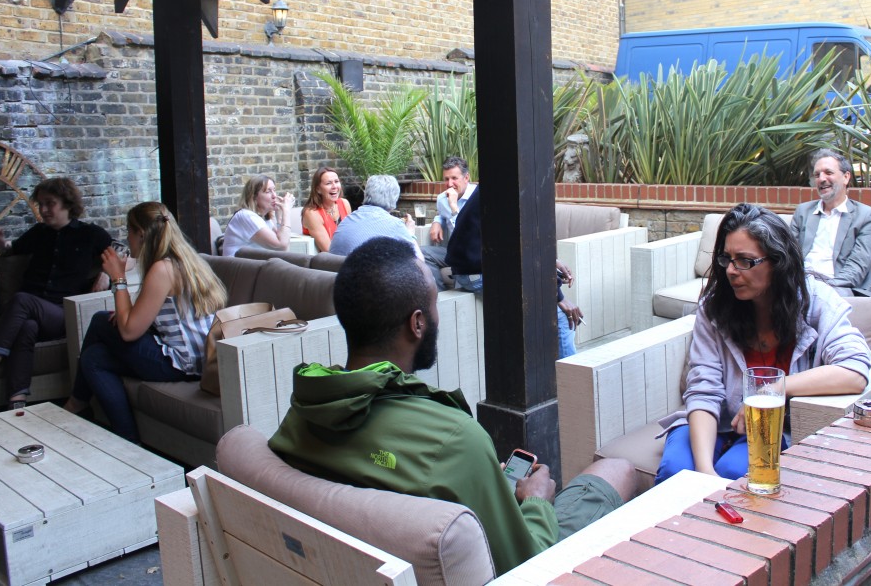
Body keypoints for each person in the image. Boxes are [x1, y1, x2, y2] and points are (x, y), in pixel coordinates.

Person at [268, 238, 636, 574]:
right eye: (434, 305)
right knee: (619, 470)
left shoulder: (303, 411)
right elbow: (526, 564)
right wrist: (537, 501)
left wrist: (482, 477)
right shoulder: (454, 441)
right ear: (417, 324)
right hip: (523, 565)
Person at [654, 203, 870, 485]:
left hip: (771, 426)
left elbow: (854, 370)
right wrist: (704, 472)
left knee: (736, 472)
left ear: (778, 262)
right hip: (714, 420)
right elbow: (703, 389)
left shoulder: (816, 302)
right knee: (676, 473)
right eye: (727, 259)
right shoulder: (715, 308)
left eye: (745, 260)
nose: (731, 271)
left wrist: (771, 390)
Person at [64, 202, 227, 442]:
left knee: (100, 321)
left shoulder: (162, 269)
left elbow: (129, 332)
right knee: (93, 358)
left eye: (128, 232)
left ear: (141, 234)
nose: (127, 239)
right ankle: (127, 440)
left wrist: (118, 277)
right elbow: (167, 316)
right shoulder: (182, 259)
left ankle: (76, 404)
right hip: (199, 355)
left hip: (183, 362)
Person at [0, 178, 111, 411]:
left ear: (67, 204)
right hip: (29, 315)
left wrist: (106, 273)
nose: (43, 210)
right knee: (26, 326)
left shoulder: (90, 234)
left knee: (22, 300)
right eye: (40, 204)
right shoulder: (39, 233)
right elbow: (13, 248)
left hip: (61, 315)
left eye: (50, 203)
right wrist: (1, 246)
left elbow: (124, 253)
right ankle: (17, 404)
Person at [446, 186, 584, 358]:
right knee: (560, 318)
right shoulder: (517, 184)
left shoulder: (500, 183)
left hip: (476, 268)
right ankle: (569, 374)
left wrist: (551, 264)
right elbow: (523, 245)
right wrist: (558, 296)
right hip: (479, 272)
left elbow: (520, 243)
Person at [790, 149, 871, 296]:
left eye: (828, 172)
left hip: (841, 286)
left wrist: (824, 288)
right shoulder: (803, 212)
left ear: (846, 177)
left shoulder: (865, 216)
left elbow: (858, 265)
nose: (821, 179)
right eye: (817, 175)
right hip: (803, 283)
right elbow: (789, 254)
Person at [329, 175, 421, 257]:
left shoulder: (346, 221)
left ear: (366, 194)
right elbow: (418, 261)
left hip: (338, 270)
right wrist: (410, 234)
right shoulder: (395, 224)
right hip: (366, 270)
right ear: (394, 198)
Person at [422, 156, 477, 290]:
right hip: (452, 251)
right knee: (422, 253)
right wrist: (437, 221)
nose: (450, 184)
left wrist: (453, 207)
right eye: (446, 179)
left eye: (454, 178)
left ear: (466, 178)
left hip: (473, 252)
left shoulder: (476, 198)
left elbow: (466, 233)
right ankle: (439, 294)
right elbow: (442, 214)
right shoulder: (442, 199)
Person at [222, 175, 295, 257]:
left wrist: (280, 215)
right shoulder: (246, 216)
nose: (274, 195)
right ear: (254, 197)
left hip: (254, 263)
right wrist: (286, 211)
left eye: (274, 190)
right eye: (268, 191)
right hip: (238, 264)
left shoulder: (264, 218)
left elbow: (283, 249)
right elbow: (282, 245)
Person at [301, 167, 352, 252]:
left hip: (346, 254)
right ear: (318, 189)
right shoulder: (311, 213)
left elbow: (351, 236)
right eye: (328, 183)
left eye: (336, 181)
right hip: (326, 258)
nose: (334, 186)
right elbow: (328, 250)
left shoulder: (344, 203)